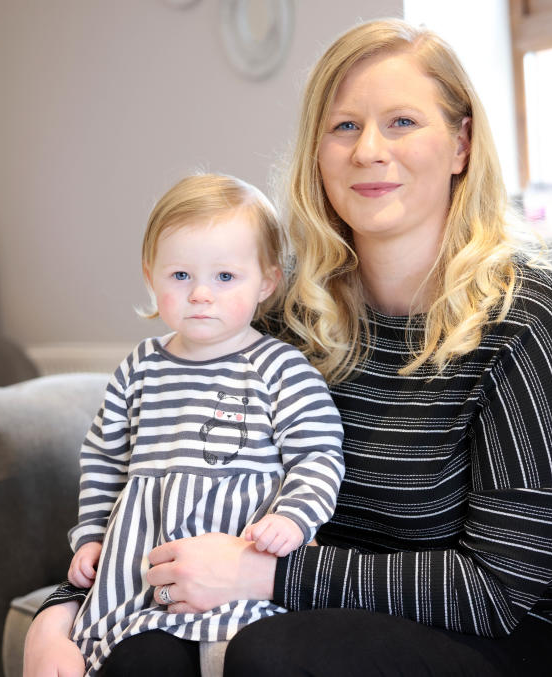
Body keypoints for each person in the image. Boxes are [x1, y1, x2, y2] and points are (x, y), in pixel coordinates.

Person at [24, 19, 552, 677]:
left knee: (273, 655)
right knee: (145, 656)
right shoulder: (293, 317)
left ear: (461, 144)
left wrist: (270, 574)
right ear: (316, 153)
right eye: (344, 126)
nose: (369, 149)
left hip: (546, 633)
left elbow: (496, 589)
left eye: (402, 121)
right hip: (351, 613)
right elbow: (177, 481)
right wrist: (60, 615)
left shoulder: (530, 319)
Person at [58, 173, 345, 676]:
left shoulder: (281, 367)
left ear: (267, 282)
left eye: (225, 277)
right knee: (136, 661)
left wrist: (295, 518)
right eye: (181, 276)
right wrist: (90, 536)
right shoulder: (141, 366)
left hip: (242, 572)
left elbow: (318, 455)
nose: (200, 295)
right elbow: (104, 457)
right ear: (151, 275)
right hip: (145, 579)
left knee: (236, 659)